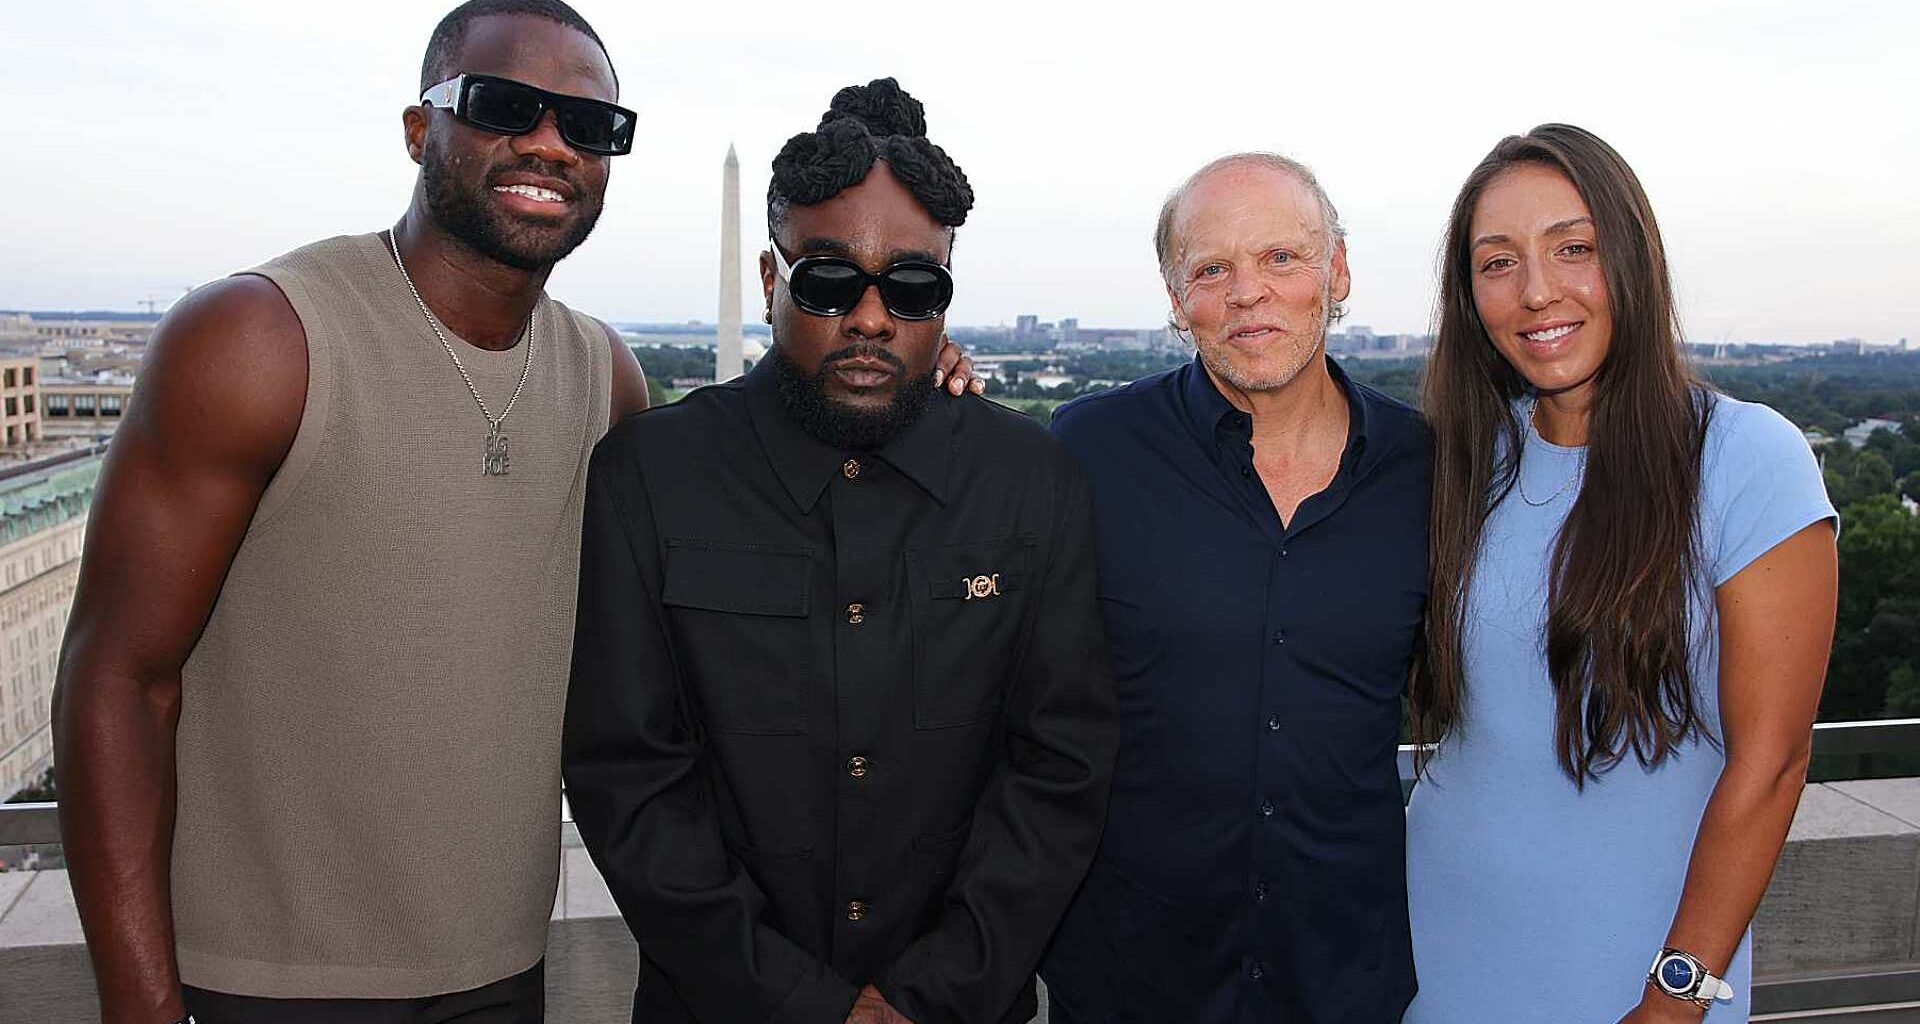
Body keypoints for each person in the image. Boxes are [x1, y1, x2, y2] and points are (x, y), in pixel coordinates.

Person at [50, 4, 978, 1021]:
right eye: (503, 106)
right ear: (419, 130)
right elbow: (119, 681)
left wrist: (908, 392)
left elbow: (753, 512)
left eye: (589, 126)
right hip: (257, 983)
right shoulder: (259, 339)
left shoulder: (606, 378)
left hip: (499, 976)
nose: (549, 142)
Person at [562, 78, 1117, 1024]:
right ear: (774, 281)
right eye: (828, 281)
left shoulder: (1033, 484)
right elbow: (631, 774)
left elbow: (1061, 766)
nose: (870, 319)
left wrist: (935, 994)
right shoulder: (650, 476)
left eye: (911, 286)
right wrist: (793, 1003)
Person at [1403, 124, 1839, 1023]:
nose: (1536, 291)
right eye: (1497, 262)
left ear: (1632, 258)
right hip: (1430, 950)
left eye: (1574, 248)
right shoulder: (1463, 465)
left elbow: (1773, 761)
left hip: (1634, 975)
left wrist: (1676, 994)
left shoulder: (1746, 458)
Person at [1039, 153, 1430, 1023]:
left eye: (1282, 258)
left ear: (1338, 270)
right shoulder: (1087, 451)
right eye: (1212, 269)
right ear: (1178, 300)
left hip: (1343, 985)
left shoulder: (1428, 470)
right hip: (1128, 986)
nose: (1249, 292)